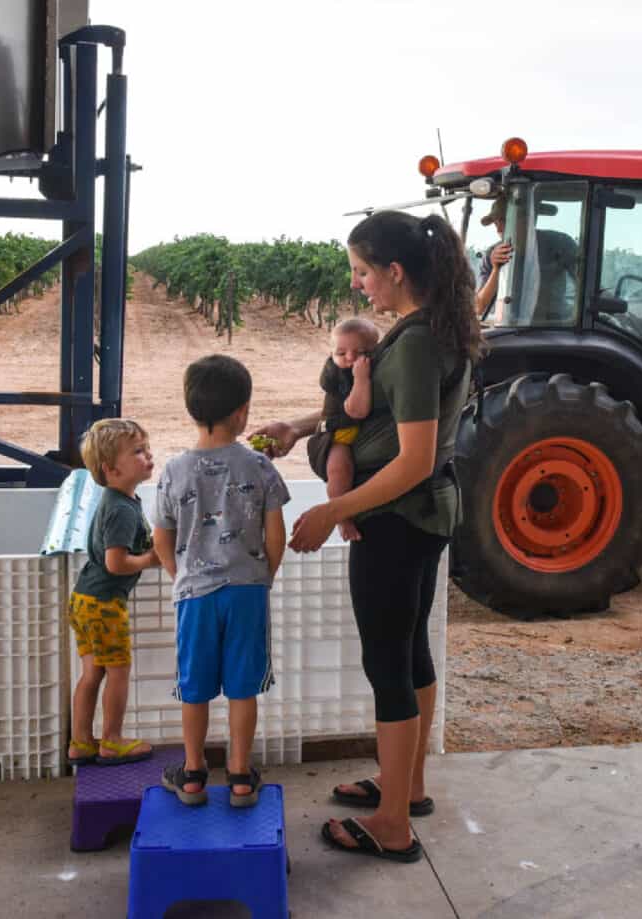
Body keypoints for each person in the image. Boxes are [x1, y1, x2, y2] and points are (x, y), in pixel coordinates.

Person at [251, 210, 482, 862]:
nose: (358, 286)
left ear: (395, 272)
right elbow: (375, 409)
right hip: (425, 514)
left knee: (388, 662)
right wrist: (302, 427)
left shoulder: (412, 344)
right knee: (410, 650)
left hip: (395, 517)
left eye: (362, 272)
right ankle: (407, 786)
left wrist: (333, 509)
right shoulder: (429, 329)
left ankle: (391, 824)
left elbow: (411, 457)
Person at [153, 355, 289, 807]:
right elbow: (276, 534)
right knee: (242, 686)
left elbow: (162, 537)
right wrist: (262, 576)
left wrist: (183, 576)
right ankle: (239, 777)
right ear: (243, 413)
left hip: (194, 594)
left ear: (191, 410)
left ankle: (192, 774)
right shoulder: (260, 468)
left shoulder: (173, 471)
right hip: (247, 590)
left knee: (194, 686)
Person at [68, 419, 161, 766]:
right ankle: (112, 740)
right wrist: (153, 559)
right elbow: (116, 563)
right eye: (138, 452)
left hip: (83, 599)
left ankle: (80, 742)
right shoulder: (121, 509)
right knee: (118, 671)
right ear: (110, 469)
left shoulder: (121, 500)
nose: (148, 455)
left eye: (146, 447)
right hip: (104, 604)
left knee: (92, 672)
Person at [312, 317, 379, 541]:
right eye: (341, 353)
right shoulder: (336, 375)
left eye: (359, 353)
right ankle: (341, 517)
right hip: (337, 436)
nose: (349, 359)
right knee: (340, 471)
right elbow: (356, 411)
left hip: (358, 435)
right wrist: (361, 379)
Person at [475, 194, 513, 316]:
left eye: (503, 220)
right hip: (503, 323)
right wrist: (496, 269)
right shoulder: (490, 256)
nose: (499, 229)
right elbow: (479, 307)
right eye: (496, 224)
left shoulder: (558, 245)